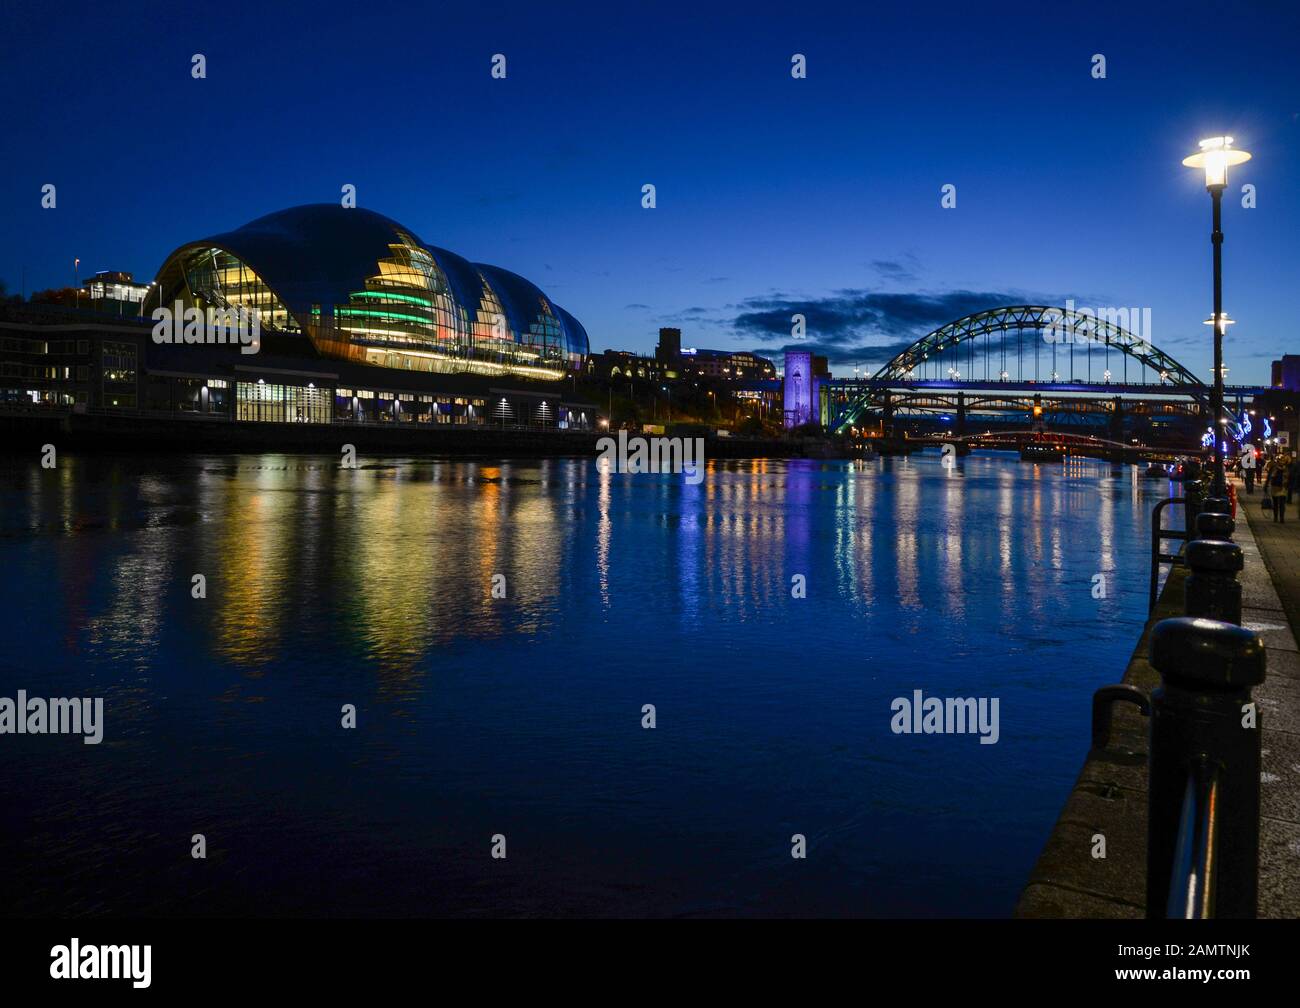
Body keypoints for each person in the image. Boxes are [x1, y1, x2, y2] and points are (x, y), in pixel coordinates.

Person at [1269, 454, 1290, 523]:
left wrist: (1266, 486)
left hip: (1275, 487)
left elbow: (1270, 476)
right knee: (1282, 504)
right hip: (1283, 487)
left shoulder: (1274, 467)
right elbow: (1289, 478)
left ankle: (1276, 518)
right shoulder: (1286, 468)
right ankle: (1281, 518)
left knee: (1275, 503)